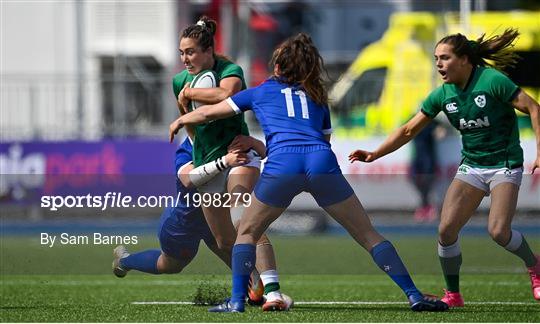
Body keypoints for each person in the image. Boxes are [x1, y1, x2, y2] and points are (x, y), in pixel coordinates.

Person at [169, 32, 449, 313]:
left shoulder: (261, 91)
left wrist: (181, 119)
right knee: (367, 234)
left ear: (278, 66)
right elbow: (324, 141)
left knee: (247, 232)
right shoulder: (317, 95)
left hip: (283, 166)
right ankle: (413, 295)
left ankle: (238, 301)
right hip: (320, 162)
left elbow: (209, 113)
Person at [349, 28, 540, 307]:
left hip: (504, 163)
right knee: (445, 231)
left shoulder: (492, 81)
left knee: (499, 232)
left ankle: (534, 266)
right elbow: (407, 131)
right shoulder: (442, 95)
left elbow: (534, 108)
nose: (439, 64)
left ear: (464, 60)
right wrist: (374, 154)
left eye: (445, 58)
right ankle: (453, 295)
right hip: (472, 166)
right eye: (436, 58)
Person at [171, 16, 289, 310]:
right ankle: (253, 287)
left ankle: (274, 291)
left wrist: (190, 93)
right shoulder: (179, 81)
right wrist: (205, 154)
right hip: (211, 160)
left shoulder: (230, 70)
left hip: (241, 157)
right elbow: (192, 127)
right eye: (182, 53)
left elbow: (226, 94)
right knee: (223, 240)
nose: (185, 58)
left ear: (208, 50)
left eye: (191, 52)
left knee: (243, 218)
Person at [112, 136, 292, 309]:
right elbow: (188, 179)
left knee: (239, 247)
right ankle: (126, 261)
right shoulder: (186, 149)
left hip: (216, 220)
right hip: (184, 224)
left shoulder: (231, 139)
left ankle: (268, 293)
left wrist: (254, 143)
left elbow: (264, 153)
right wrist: (224, 162)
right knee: (170, 265)